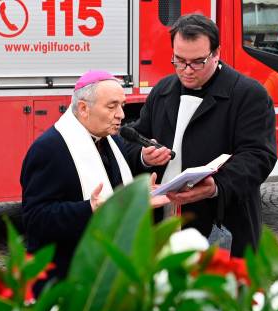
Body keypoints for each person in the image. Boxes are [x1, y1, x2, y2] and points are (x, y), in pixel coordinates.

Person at [127, 13, 277, 257]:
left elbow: (259, 156)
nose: (187, 71)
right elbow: (134, 139)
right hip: (163, 224)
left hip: (220, 221)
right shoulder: (163, 89)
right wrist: (145, 156)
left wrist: (216, 186)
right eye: (179, 60)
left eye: (198, 62)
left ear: (216, 53)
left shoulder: (249, 94)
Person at [20, 71, 171, 297]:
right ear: (83, 108)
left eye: (122, 105)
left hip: (108, 275)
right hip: (65, 280)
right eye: (112, 107)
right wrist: (88, 209)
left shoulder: (112, 140)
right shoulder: (49, 149)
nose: (121, 114)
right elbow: (35, 219)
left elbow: (115, 192)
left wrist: (137, 199)